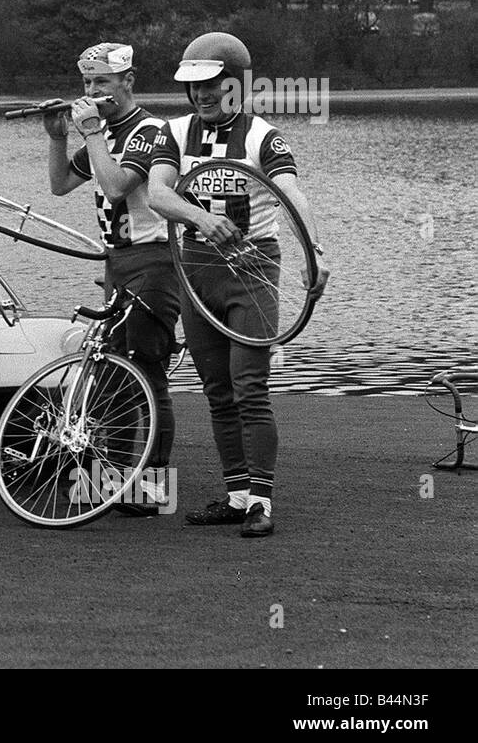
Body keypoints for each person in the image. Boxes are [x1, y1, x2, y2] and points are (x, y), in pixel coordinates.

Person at [147, 32, 331, 537]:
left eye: (213, 85)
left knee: (250, 386)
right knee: (217, 390)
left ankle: (262, 502)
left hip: (251, 271)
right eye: (195, 86)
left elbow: (291, 195)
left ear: (237, 85)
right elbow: (158, 195)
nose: (203, 95)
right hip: (195, 270)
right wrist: (200, 219)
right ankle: (235, 494)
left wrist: (313, 253)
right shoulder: (173, 132)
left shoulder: (263, 137)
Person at [43, 42, 179, 516]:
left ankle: (157, 483)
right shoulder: (103, 133)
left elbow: (117, 184)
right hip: (118, 263)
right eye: (86, 83)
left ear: (128, 81)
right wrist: (59, 137)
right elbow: (60, 185)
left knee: (147, 371)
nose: (93, 91)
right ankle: (116, 482)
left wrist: (92, 131)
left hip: (155, 262)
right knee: (114, 372)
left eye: (102, 82)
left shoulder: (151, 131)